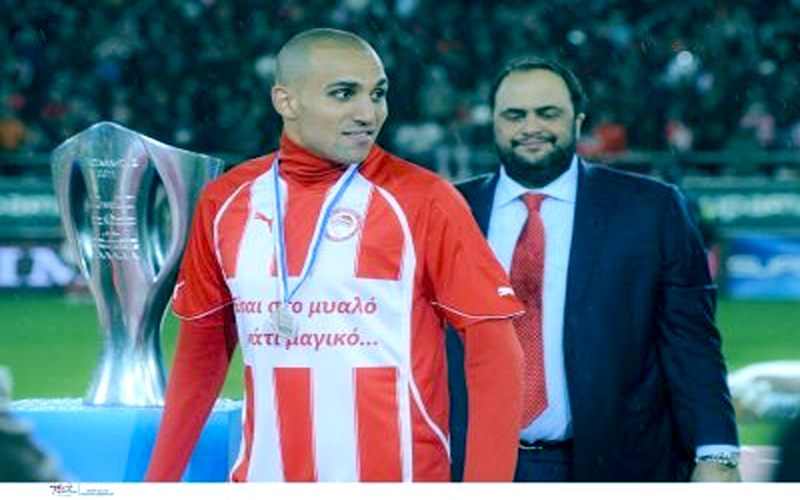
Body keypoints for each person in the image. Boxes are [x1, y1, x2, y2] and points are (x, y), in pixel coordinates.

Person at [145, 28, 524, 482]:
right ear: (286, 101)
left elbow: (497, 355)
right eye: (343, 93)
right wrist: (157, 482)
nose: (368, 113)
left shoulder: (426, 201)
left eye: (377, 93)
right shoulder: (226, 201)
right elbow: (200, 357)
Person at [447, 56, 740, 482]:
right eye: (514, 115)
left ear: (578, 121)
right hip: (474, 466)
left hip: (618, 465)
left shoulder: (651, 209)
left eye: (548, 113)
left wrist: (716, 453)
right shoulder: (449, 210)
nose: (531, 127)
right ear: (493, 122)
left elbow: (690, 341)